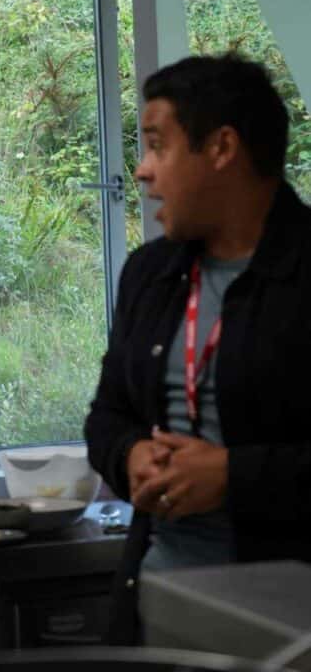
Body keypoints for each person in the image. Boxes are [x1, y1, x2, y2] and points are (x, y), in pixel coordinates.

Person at [85, 54, 311, 644]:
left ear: (221, 148)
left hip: (285, 624)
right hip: (159, 607)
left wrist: (235, 476)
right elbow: (106, 416)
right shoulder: (149, 274)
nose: (141, 171)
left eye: (158, 145)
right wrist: (129, 454)